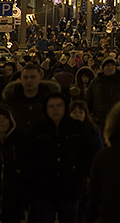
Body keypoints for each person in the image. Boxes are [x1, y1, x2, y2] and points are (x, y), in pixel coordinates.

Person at [26, 92, 97, 223]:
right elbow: (28, 156)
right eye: (51, 106)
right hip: (44, 188)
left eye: (59, 105)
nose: (55, 109)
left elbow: (88, 154)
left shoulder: (78, 128)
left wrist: (79, 173)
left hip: (69, 187)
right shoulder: (37, 130)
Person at [3, 64, 57, 138]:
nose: (29, 80)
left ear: (40, 79)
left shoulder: (51, 101)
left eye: (33, 77)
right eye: (25, 77)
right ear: (21, 79)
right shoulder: (11, 101)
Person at [84, 60, 120, 129]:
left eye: (112, 65)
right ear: (103, 68)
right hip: (99, 122)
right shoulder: (96, 83)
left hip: (117, 122)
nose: (110, 67)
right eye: (107, 65)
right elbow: (88, 100)